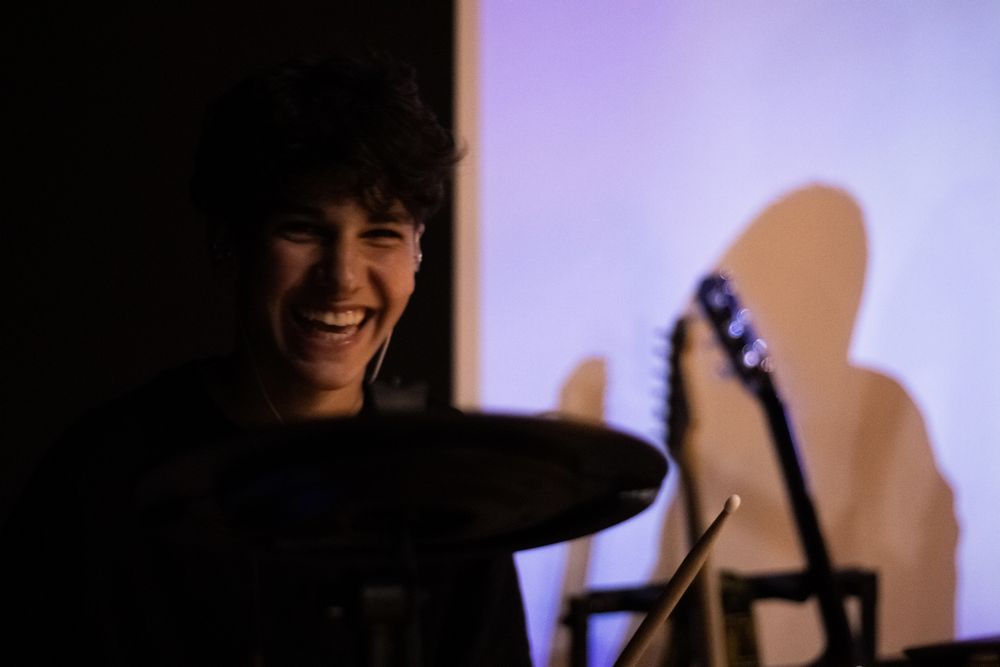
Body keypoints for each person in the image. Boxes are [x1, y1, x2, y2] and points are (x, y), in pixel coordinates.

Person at [0, 51, 532, 666]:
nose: (342, 278)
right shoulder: (102, 477)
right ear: (229, 241)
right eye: (303, 230)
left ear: (417, 252)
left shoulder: (455, 479)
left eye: (381, 233)